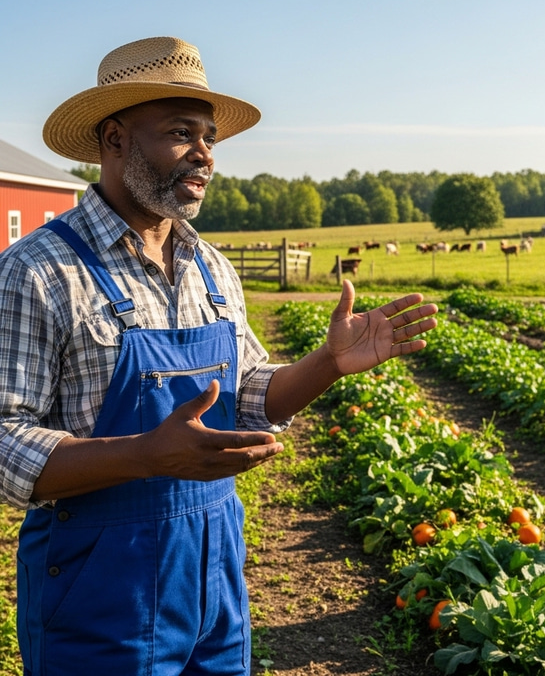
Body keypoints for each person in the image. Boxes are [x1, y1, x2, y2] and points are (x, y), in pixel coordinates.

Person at [0, 36, 438, 675]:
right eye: (182, 133)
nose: (205, 154)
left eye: (210, 137)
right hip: (99, 591)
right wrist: (145, 455)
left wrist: (327, 363)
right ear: (116, 139)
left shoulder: (209, 267)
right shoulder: (38, 271)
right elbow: (5, 439)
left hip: (214, 582)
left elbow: (251, 392)